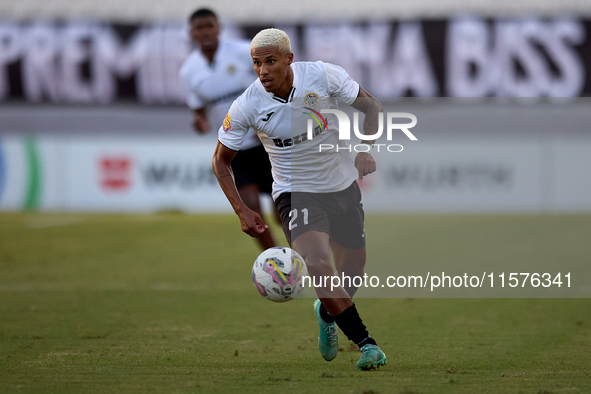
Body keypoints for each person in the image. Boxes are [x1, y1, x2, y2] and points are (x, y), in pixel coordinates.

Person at [212, 28, 387, 371]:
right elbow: (220, 161)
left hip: (341, 187)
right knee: (320, 265)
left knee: (353, 271)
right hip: (296, 193)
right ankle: (368, 345)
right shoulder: (248, 104)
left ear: (289, 59)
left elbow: (371, 107)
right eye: (256, 63)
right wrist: (242, 210)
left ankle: (327, 311)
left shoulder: (322, 75)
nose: (263, 70)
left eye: (270, 62)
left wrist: (366, 150)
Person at [179, 8, 277, 250]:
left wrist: (266, 120)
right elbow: (199, 110)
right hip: (236, 150)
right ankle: (278, 265)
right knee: (253, 213)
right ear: (191, 33)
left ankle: (304, 257)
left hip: (269, 144)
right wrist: (200, 122)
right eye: (199, 28)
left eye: (209, 26)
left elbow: (277, 83)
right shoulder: (189, 71)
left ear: (219, 28)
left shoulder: (245, 52)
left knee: (283, 211)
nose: (205, 32)